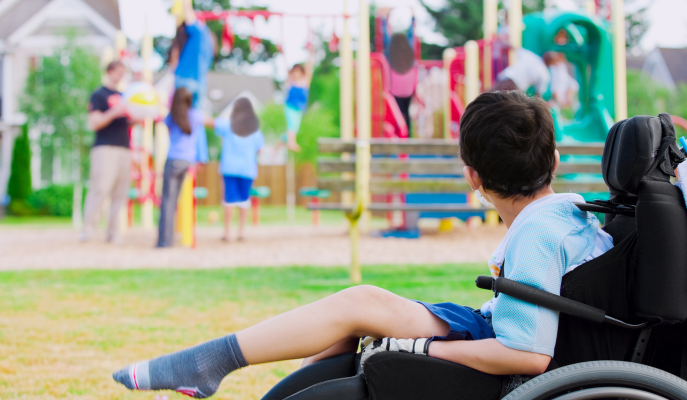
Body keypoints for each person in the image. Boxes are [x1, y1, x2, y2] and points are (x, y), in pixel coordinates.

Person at [112, 91, 613, 399]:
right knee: (357, 311)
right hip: (488, 327)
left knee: (359, 304)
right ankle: (220, 369)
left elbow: (527, 356)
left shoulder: (538, 232)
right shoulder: (567, 210)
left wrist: (425, 351)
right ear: (556, 158)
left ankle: (210, 362)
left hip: (499, 354)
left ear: (473, 177)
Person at [80, 61, 130, 243]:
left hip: (124, 148)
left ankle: (113, 233)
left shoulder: (125, 96)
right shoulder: (99, 95)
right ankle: (88, 230)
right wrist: (113, 112)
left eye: (123, 73)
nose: (121, 76)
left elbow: (127, 121)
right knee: (100, 189)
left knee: (120, 192)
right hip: (104, 147)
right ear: (109, 72)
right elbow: (94, 123)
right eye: (118, 72)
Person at [156, 87, 209, 248]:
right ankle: (184, 238)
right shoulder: (196, 116)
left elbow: (163, 122)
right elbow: (202, 134)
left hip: (173, 161)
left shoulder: (171, 117)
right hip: (188, 163)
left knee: (167, 202)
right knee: (181, 200)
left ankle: (165, 241)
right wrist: (202, 159)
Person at [214, 98, 264, 241]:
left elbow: (214, 123)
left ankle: (227, 233)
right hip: (247, 169)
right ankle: (241, 233)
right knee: (244, 201)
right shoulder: (254, 130)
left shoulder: (229, 125)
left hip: (229, 168)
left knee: (229, 200)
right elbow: (260, 148)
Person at [172, 0, 216, 109]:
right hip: (201, 82)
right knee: (195, 116)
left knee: (180, 114)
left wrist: (185, 3)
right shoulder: (209, 43)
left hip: (185, 79)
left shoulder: (199, 32)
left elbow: (189, 16)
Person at [386, 33, 418, 134]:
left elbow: (386, 39)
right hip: (408, 91)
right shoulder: (410, 60)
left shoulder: (392, 59)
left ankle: (398, 134)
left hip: (396, 91)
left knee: (397, 114)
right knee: (406, 113)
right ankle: (407, 135)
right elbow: (415, 77)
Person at [284, 50, 314, 152]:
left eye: (298, 72)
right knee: (292, 125)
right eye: (294, 72)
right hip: (290, 106)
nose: (296, 74)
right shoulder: (290, 81)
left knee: (294, 128)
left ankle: (280, 144)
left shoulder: (305, 81)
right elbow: (286, 66)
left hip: (299, 109)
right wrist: (283, 53)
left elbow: (309, 68)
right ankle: (291, 143)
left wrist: (310, 54)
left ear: (301, 72)